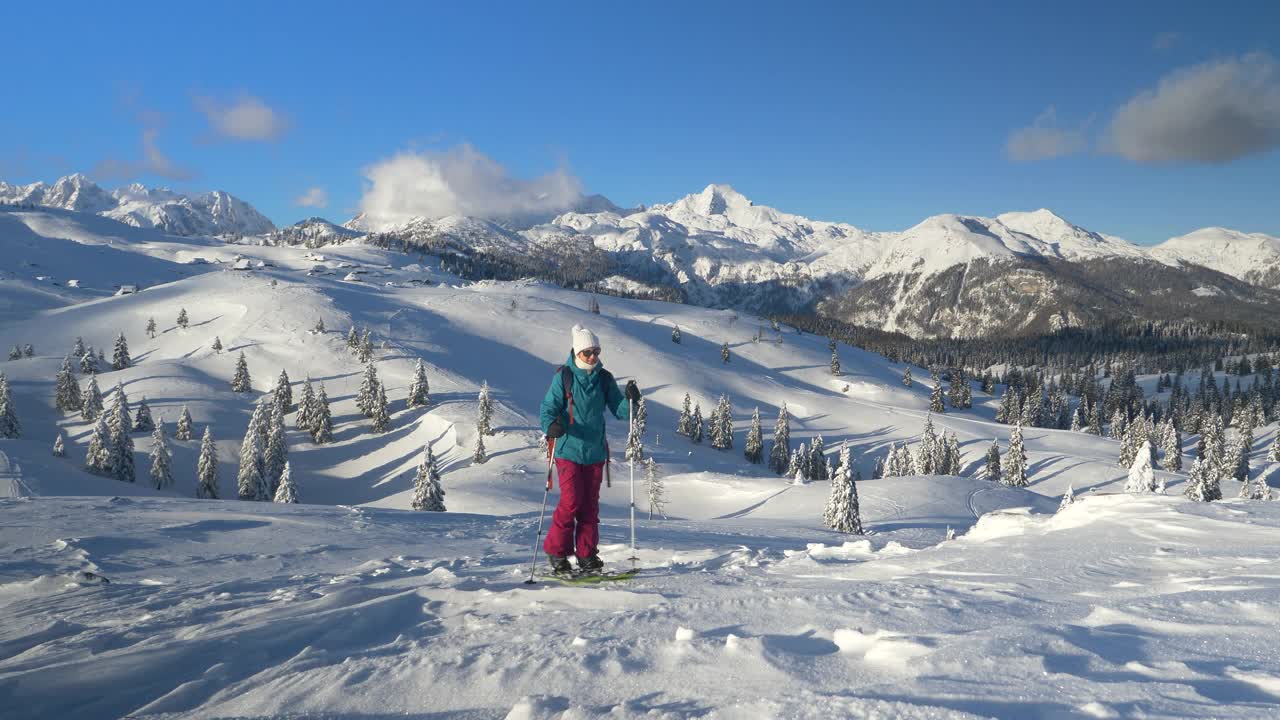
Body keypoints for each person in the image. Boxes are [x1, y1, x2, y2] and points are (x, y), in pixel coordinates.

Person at [540, 324, 640, 573]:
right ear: (576, 352)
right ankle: (557, 552)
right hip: (569, 449)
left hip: (595, 453)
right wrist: (551, 425)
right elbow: (548, 408)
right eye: (588, 352)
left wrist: (631, 401)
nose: (593, 356)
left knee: (589, 507)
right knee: (571, 502)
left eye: (596, 351)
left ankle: (586, 555)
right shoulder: (564, 377)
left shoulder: (604, 378)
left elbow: (620, 410)